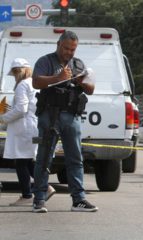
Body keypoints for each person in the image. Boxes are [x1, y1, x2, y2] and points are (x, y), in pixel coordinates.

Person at [31, 31, 97, 213]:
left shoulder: (78, 64)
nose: (69, 52)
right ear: (58, 45)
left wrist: (82, 82)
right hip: (50, 115)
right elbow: (36, 82)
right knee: (44, 157)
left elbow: (91, 89)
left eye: (73, 49)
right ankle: (39, 199)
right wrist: (57, 78)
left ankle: (79, 200)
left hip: (72, 116)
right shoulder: (45, 61)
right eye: (66, 48)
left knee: (75, 158)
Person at [0, 58, 55, 206]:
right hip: (32, 127)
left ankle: (27, 195)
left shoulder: (22, 85)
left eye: (15, 72)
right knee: (28, 160)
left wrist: (3, 118)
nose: (14, 76)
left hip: (23, 129)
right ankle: (46, 187)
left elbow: (21, 109)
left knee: (21, 163)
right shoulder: (34, 83)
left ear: (19, 71)